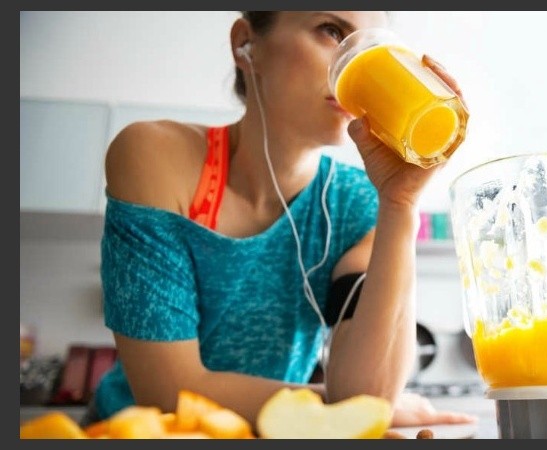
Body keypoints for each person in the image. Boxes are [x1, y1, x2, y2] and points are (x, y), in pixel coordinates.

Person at [87, 11, 476, 432]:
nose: (356, 62)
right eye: (332, 31)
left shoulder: (357, 202)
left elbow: (365, 394)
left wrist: (401, 204)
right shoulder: (155, 156)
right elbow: (167, 391)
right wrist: (337, 405)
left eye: (373, 46)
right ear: (245, 44)